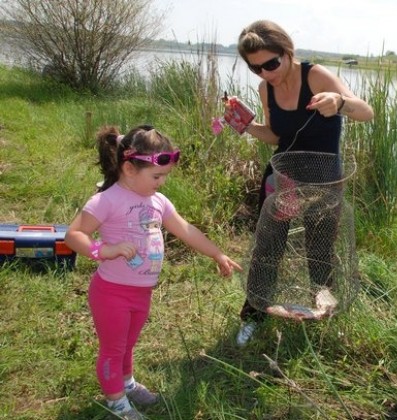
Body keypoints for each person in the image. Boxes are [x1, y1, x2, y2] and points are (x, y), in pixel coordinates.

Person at [65, 125, 242, 419]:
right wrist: (102, 251)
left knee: (128, 344)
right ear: (129, 168)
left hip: (141, 292)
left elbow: (185, 229)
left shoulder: (158, 202)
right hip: (111, 292)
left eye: (164, 177)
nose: (161, 183)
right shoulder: (107, 200)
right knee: (113, 347)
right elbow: (73, 235)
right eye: (157, 176)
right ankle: (117, 403)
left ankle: (126, 383)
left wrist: (216, 253)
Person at [227, 19, 374, 346]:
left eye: (270, 63)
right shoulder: (266, 88)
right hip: (283, 177)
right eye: (256, 69)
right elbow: (276, 136)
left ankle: (324, 313)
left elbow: (366, 112)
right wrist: (246, 125)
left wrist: (339, 103)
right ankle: (253, 314)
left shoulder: (316, 75)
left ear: (287, 51)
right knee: (268, 245)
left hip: (324, 177)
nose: (265, 73)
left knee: (320, 246)